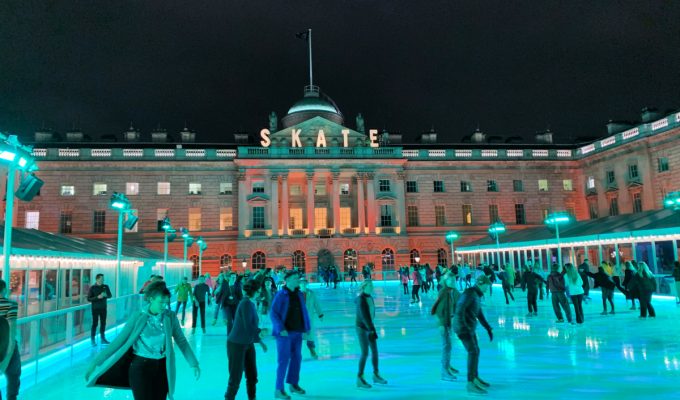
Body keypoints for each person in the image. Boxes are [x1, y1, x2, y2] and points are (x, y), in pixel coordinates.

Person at [85, 281, 200, 400]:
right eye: (161, 302)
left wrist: (193, 363)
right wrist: (95, 362)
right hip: (140, 367)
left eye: (166, 303)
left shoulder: (170, 317)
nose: (164, 306)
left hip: (162, 367)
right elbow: (119, 341)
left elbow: (181, 340)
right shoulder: (138, 316)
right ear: (151, 299)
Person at [225, 279, 269, 400]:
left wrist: (260, 341)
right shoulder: (245, 304)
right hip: (236, 344)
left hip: (248, 343)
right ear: (254, 291)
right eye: (259, 291)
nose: (261, 293)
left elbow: (251, 327)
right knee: (235, 377)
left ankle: (252, 397)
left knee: (252, 375)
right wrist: (260, 333)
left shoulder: (251, 304)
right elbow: (248, 326)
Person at [270, 271, 311, 399]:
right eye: (294, 278)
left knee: (297, 358)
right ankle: (279, 389)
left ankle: (293, 384)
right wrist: (280, 328)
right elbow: (273, 313)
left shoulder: (299, 294)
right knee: (283, 361)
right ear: (287, 280)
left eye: (297, 278)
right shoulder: (281, 294)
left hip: (297, 332)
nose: (297, 280)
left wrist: (306, 328)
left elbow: (304, 311)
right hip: (284, 334)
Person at [453, 275, 494, 395]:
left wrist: (488, 328)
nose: (488, 288)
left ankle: (475, 378)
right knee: (473, 352)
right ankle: (470, 383)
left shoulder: (476, 295)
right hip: (463, 329)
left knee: (476, 351)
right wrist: (464, 329)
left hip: (469, 328)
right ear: (481, 284)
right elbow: (459, 310)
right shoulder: (470, 293)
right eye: (487, 285)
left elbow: (479, 312)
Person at [355, 279, 388, 389]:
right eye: (369, 285)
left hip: (369, 326)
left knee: (374, 351)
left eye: (372, 285)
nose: (371, 287)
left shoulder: (370, 298)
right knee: (365, 352)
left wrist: (372, 328)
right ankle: (360, 378)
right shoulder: (361, 299)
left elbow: (370, 315)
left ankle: (376, 375)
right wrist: (371, 329)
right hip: (362, 328)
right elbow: (364, 316)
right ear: (364, 287)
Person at [431, 272, 461, 381]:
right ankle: (444, 371)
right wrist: (441, 325)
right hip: (444, 323)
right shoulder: (444, 292)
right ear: (445, 281)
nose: (453, 282)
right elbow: (439, 310)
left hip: (449, 322)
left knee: (448, 345)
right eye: (451, 280)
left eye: (454, 280)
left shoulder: (452, 291)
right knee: (446, 346)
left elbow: (460, 301)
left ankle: (447, 365)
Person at [0, 279, 21, 400]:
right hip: (6, 347)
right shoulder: (11, 305)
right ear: (4, 290)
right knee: (13, 377)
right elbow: (11, 336)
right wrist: (5, 362)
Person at [299, 278, 324, 359]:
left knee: (310, 336)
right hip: (298, 319)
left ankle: (312, 351)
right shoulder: (295, 294)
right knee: (297, 336)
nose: (303, 285)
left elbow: (316, 304)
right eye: (301, 283)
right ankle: (296, 353)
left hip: (309, 318)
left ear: (306, 284)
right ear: (299, 284)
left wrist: (320, 314)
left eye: (304, 283)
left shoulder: (311, 293)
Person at [87, 273, 112, 346]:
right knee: (95, 323)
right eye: (102, 279)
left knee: (103, 323)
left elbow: (110, 295)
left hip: (103, 308)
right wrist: (97, 297)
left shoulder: (105, 286)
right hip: (95, 309)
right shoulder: (92, 288)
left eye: (103, 279)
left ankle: (103, 339)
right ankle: (93, 340)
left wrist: (105, 295)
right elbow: (88, 299)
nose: (103, 280)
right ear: (97, 279)